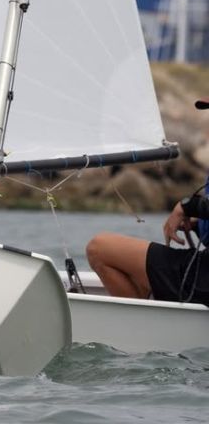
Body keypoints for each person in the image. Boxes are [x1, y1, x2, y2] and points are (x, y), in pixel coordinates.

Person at [87, 98, 209, 306]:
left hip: (203, 280)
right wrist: (198, 226)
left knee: (99, 248)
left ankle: (143, 327)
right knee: (129, 269)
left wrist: (186, 206)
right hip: (202, 272)